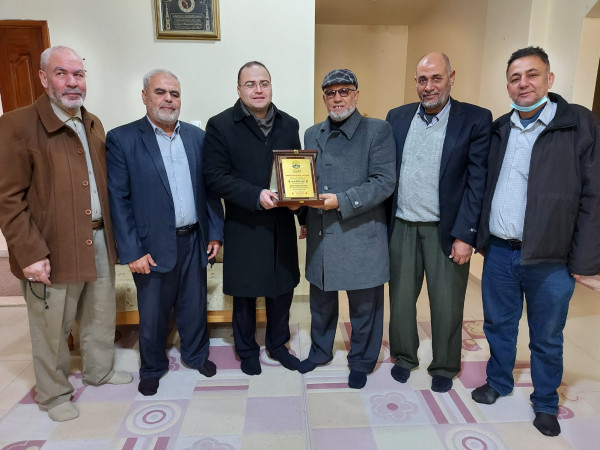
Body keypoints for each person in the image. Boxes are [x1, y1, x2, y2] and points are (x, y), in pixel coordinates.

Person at [471, 46, 600, 437]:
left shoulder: (577, 124)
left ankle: (545, 402)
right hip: (500, 251)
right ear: (508, 86)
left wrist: (585, 262)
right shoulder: (500, 129)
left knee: (546, 335)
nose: (523, 83)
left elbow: (593, 196)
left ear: (549, 79)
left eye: (532, 75)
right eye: (515, 78)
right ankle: (498, 381)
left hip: (551, 258)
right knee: (498, 325)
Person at [0, 46, 132, 422]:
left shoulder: (93, 123)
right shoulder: (16, 125)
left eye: (79, 74)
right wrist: (29, 253)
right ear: (44, 78)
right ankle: (54, 393)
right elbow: (7, 198)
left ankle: (99, 371)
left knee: (99, 313)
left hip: (99, 238)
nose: (72, 82)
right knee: (51, 325)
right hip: (51, 247)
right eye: (62, 73)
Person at [106, 69, 224, 396]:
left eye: (175, 93)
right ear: (145, 96)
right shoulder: (122, 139)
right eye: (160, 92)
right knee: (153, 313)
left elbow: (210, 191)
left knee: (194, 306)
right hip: (151, 246)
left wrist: (214, 232)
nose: (168, 99)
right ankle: (153, 367)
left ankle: (196, 355)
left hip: (195, 239)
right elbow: (118, 200)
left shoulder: (198, 138)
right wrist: (132, 251)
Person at [385, 52, 491, 392]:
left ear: (451, 77)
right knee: (401, 300)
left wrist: (466, 235)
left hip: (446, 230)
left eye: (436, 78)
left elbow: (477, 183)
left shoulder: (475, 119)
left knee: (447, 302)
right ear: (415, 82)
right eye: (422, 79)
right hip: (402, 225)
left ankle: (445, 364)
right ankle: (404, 356)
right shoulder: (397, 117)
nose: (429, 86)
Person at [297, 69, 396, 389]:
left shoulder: (377, 130)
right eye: (331, 93)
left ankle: (362, 360)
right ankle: (320, 351)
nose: (337, 98)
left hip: (361, 232)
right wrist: (299, 207)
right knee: (321, 301)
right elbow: (306, 181)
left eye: (344, 91)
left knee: (365, 307)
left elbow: (384, 182)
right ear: (324, 97)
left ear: (356, 94)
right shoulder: (311, 133)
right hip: (322, 233)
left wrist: (341, 200)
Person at [203, 61, 301, 375]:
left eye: (264, 83)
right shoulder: (220, 125)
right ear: (239, 89)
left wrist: (301, 210)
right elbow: (214, 177)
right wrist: (255, 194)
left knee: (282, 289)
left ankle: (277, 344)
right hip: (243, 222)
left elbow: (297, 172)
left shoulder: (289, 124)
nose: (258, 90)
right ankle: (246, 350)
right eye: (250, 84)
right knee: (245, 295)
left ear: (271, 86)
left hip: (281, 223)